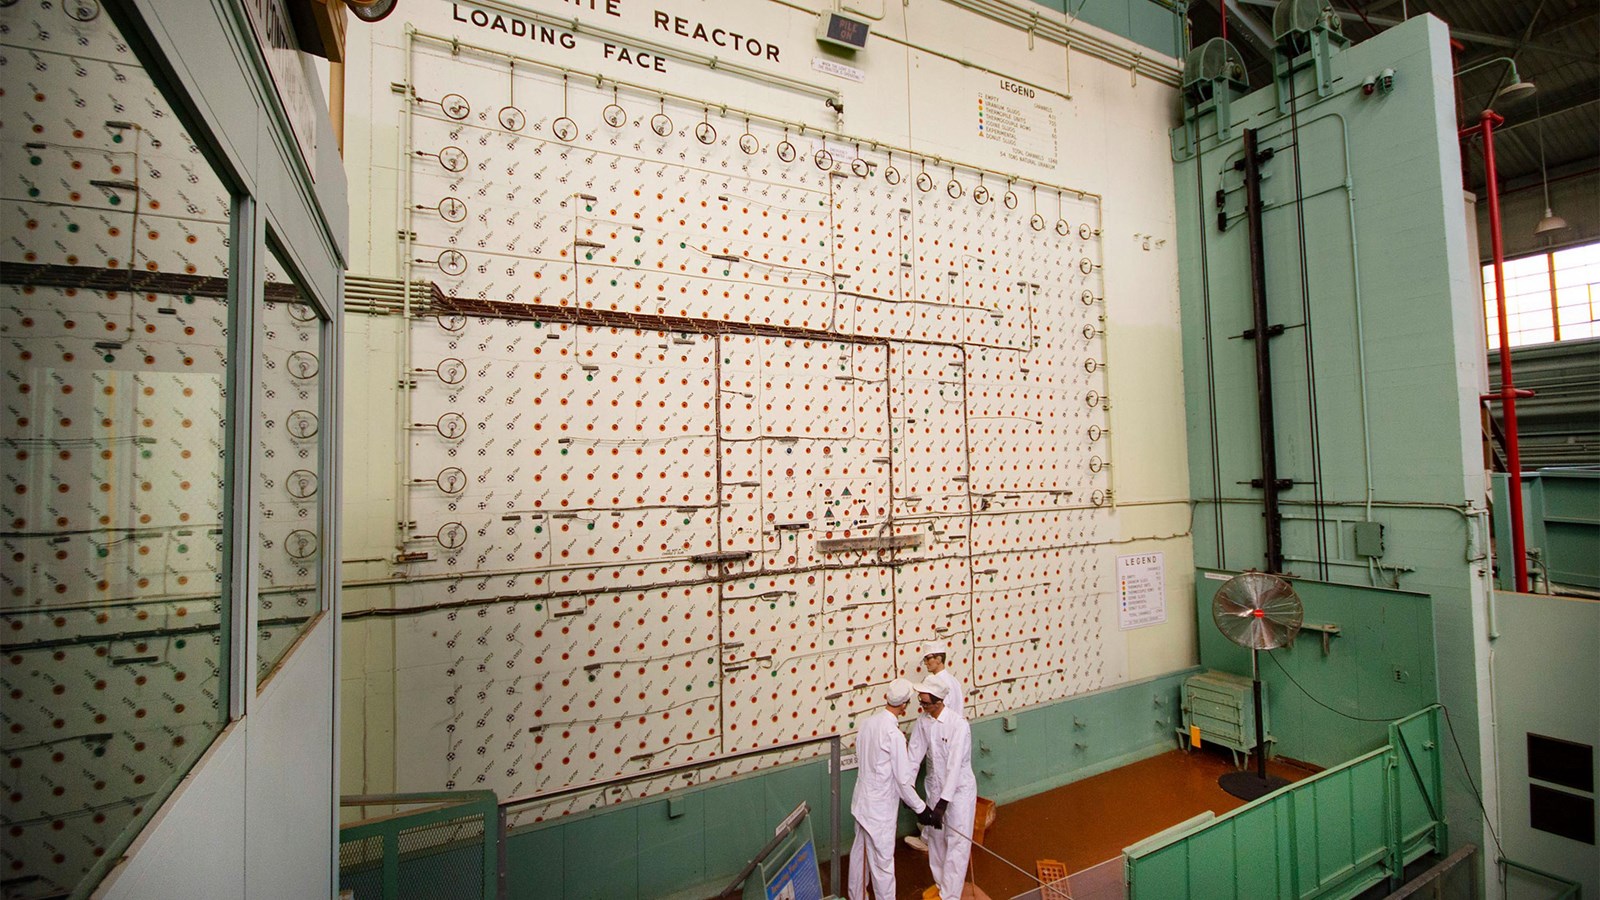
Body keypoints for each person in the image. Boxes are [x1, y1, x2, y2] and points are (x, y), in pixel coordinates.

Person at [849, 678, 937, 900]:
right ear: (904, 704)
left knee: (859, 855)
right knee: (883, 863)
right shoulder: (893, 735)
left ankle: (856, 896)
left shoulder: (867, 724)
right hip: (880, 811)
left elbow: (862, 758)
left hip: (861, 802)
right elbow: (903, 779)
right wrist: (922, 809)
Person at [907, 679, 977, 900]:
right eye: (921, 702)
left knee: (957, 843)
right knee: (936, 840)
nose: (923, 707)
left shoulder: (959, 725)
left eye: (926, 703)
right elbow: (913, 756)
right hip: (935, 789)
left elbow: (955, 766)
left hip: (958, 794)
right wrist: (907, 788)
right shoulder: (923, 722)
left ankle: (950, 896)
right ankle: (941, 884)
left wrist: (944, 803)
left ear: (939, 701)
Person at [921, 640, 964, 715]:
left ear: (938, 659)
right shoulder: (953, 680)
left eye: (928, 658)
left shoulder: (938, 682)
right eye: (924, 659)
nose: (925, 663)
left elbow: (939, 711)